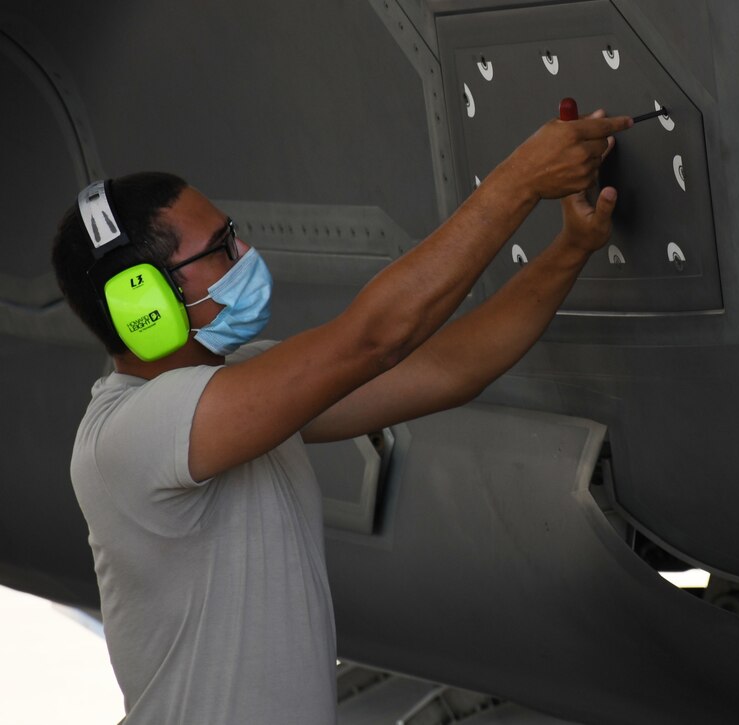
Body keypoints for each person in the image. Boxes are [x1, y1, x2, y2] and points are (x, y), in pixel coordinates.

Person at [50, 109, 632, 724]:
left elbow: (452, 367)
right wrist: (518, 182)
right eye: (221, 248)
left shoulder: (235, 392)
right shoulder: (133, 433)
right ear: (140, 301)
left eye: (235, 232)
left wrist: (571, 248)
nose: (246, 253)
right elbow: (374, 340)